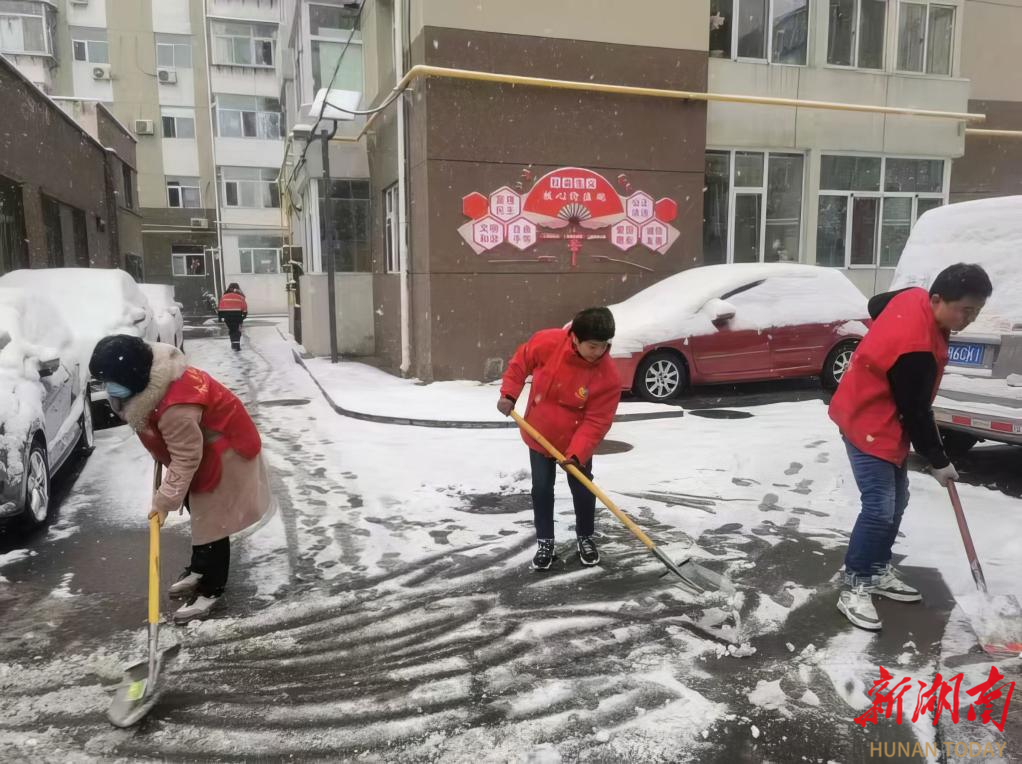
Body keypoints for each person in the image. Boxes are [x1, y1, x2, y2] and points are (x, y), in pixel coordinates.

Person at [829, 263, 992, 631]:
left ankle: (876, 569)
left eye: (976, 312)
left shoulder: (913, 296)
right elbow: (916, 411)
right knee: (879, 508)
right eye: (965, 310)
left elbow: (876, 304)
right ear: (937, 299)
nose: (969, 320)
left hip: (879, 410)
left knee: (897, 500)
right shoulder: (915, 349)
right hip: (868, 420)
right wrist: (939, 459)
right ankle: (856, 583)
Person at [89, 334, 273, 622]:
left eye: (110, 380)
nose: (106, 388)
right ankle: (199, 568)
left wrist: (163, 502)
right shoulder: (153, 380)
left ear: (131, 375)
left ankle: (211, 588)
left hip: (225, 451)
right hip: (202, 446)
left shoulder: (177, 407)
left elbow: (186, 457)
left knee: (213, 521)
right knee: (198, 510)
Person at [498, 307, 621, 570]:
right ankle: (545, 542)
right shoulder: (548, 342)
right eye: (592, 346)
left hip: (576, 441)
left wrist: (577, 454)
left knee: (583, 489)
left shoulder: (607, 376)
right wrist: (509, 394)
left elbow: (597, 420)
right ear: (575, 337)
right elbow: (521, 362)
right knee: (542, 490)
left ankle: (585, 537)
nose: (599, 352)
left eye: (604, 346)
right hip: (539, 434)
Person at [218, 283, 248, 351]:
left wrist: (220, 317)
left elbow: (220, 306)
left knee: (232, 330)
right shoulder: (240, 296)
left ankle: (233, 344)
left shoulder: (224, 296)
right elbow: (244, 306)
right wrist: (244, 314)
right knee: (236, 330)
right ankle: (236, 345)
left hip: (227, 317)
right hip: (237, 316)